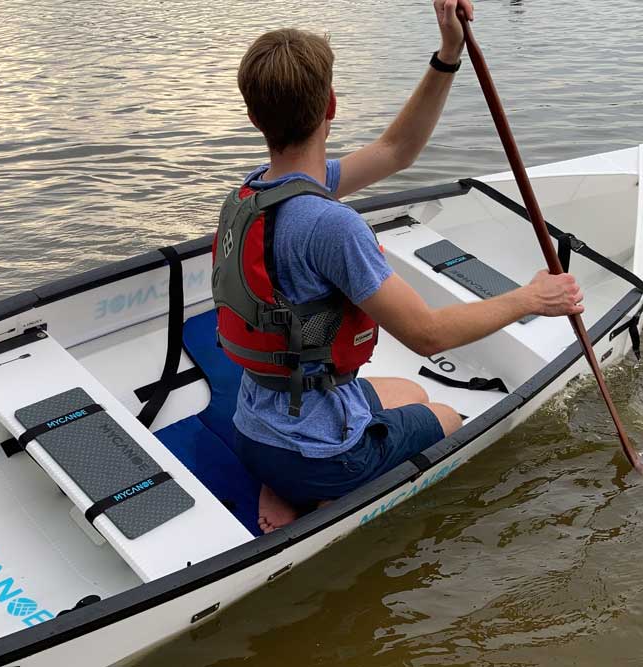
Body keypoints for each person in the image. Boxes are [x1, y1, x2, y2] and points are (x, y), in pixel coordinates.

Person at [213, 0, 583, 534]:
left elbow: (396, 150)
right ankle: (319, 499)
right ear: (332, 106)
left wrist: (448, 54)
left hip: (255, 427)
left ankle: (283, 479)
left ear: (254, 117)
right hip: (316, 452)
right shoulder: (329, 226)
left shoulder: (254, 193)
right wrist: (531, 299)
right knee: (449, 417)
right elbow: (427, 336)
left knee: (409, 394)